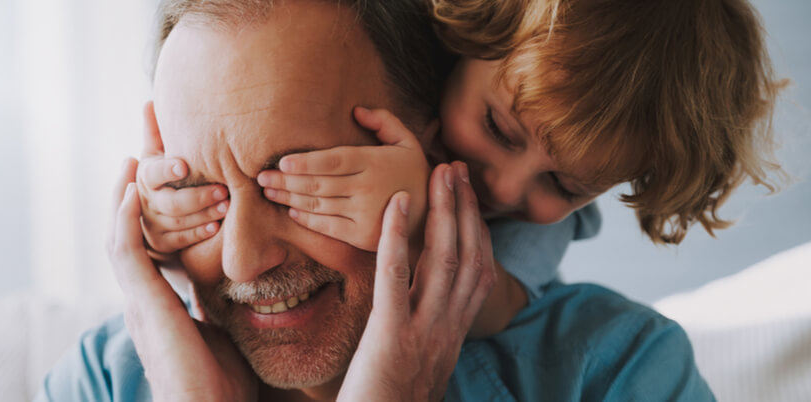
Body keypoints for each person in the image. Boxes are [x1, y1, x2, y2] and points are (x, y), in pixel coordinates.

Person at [39, 0, 715, 400]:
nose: (243, 261)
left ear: (426, 152)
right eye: (198, 188)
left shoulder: (620, 371)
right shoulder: (105, 378)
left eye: (295, 181)